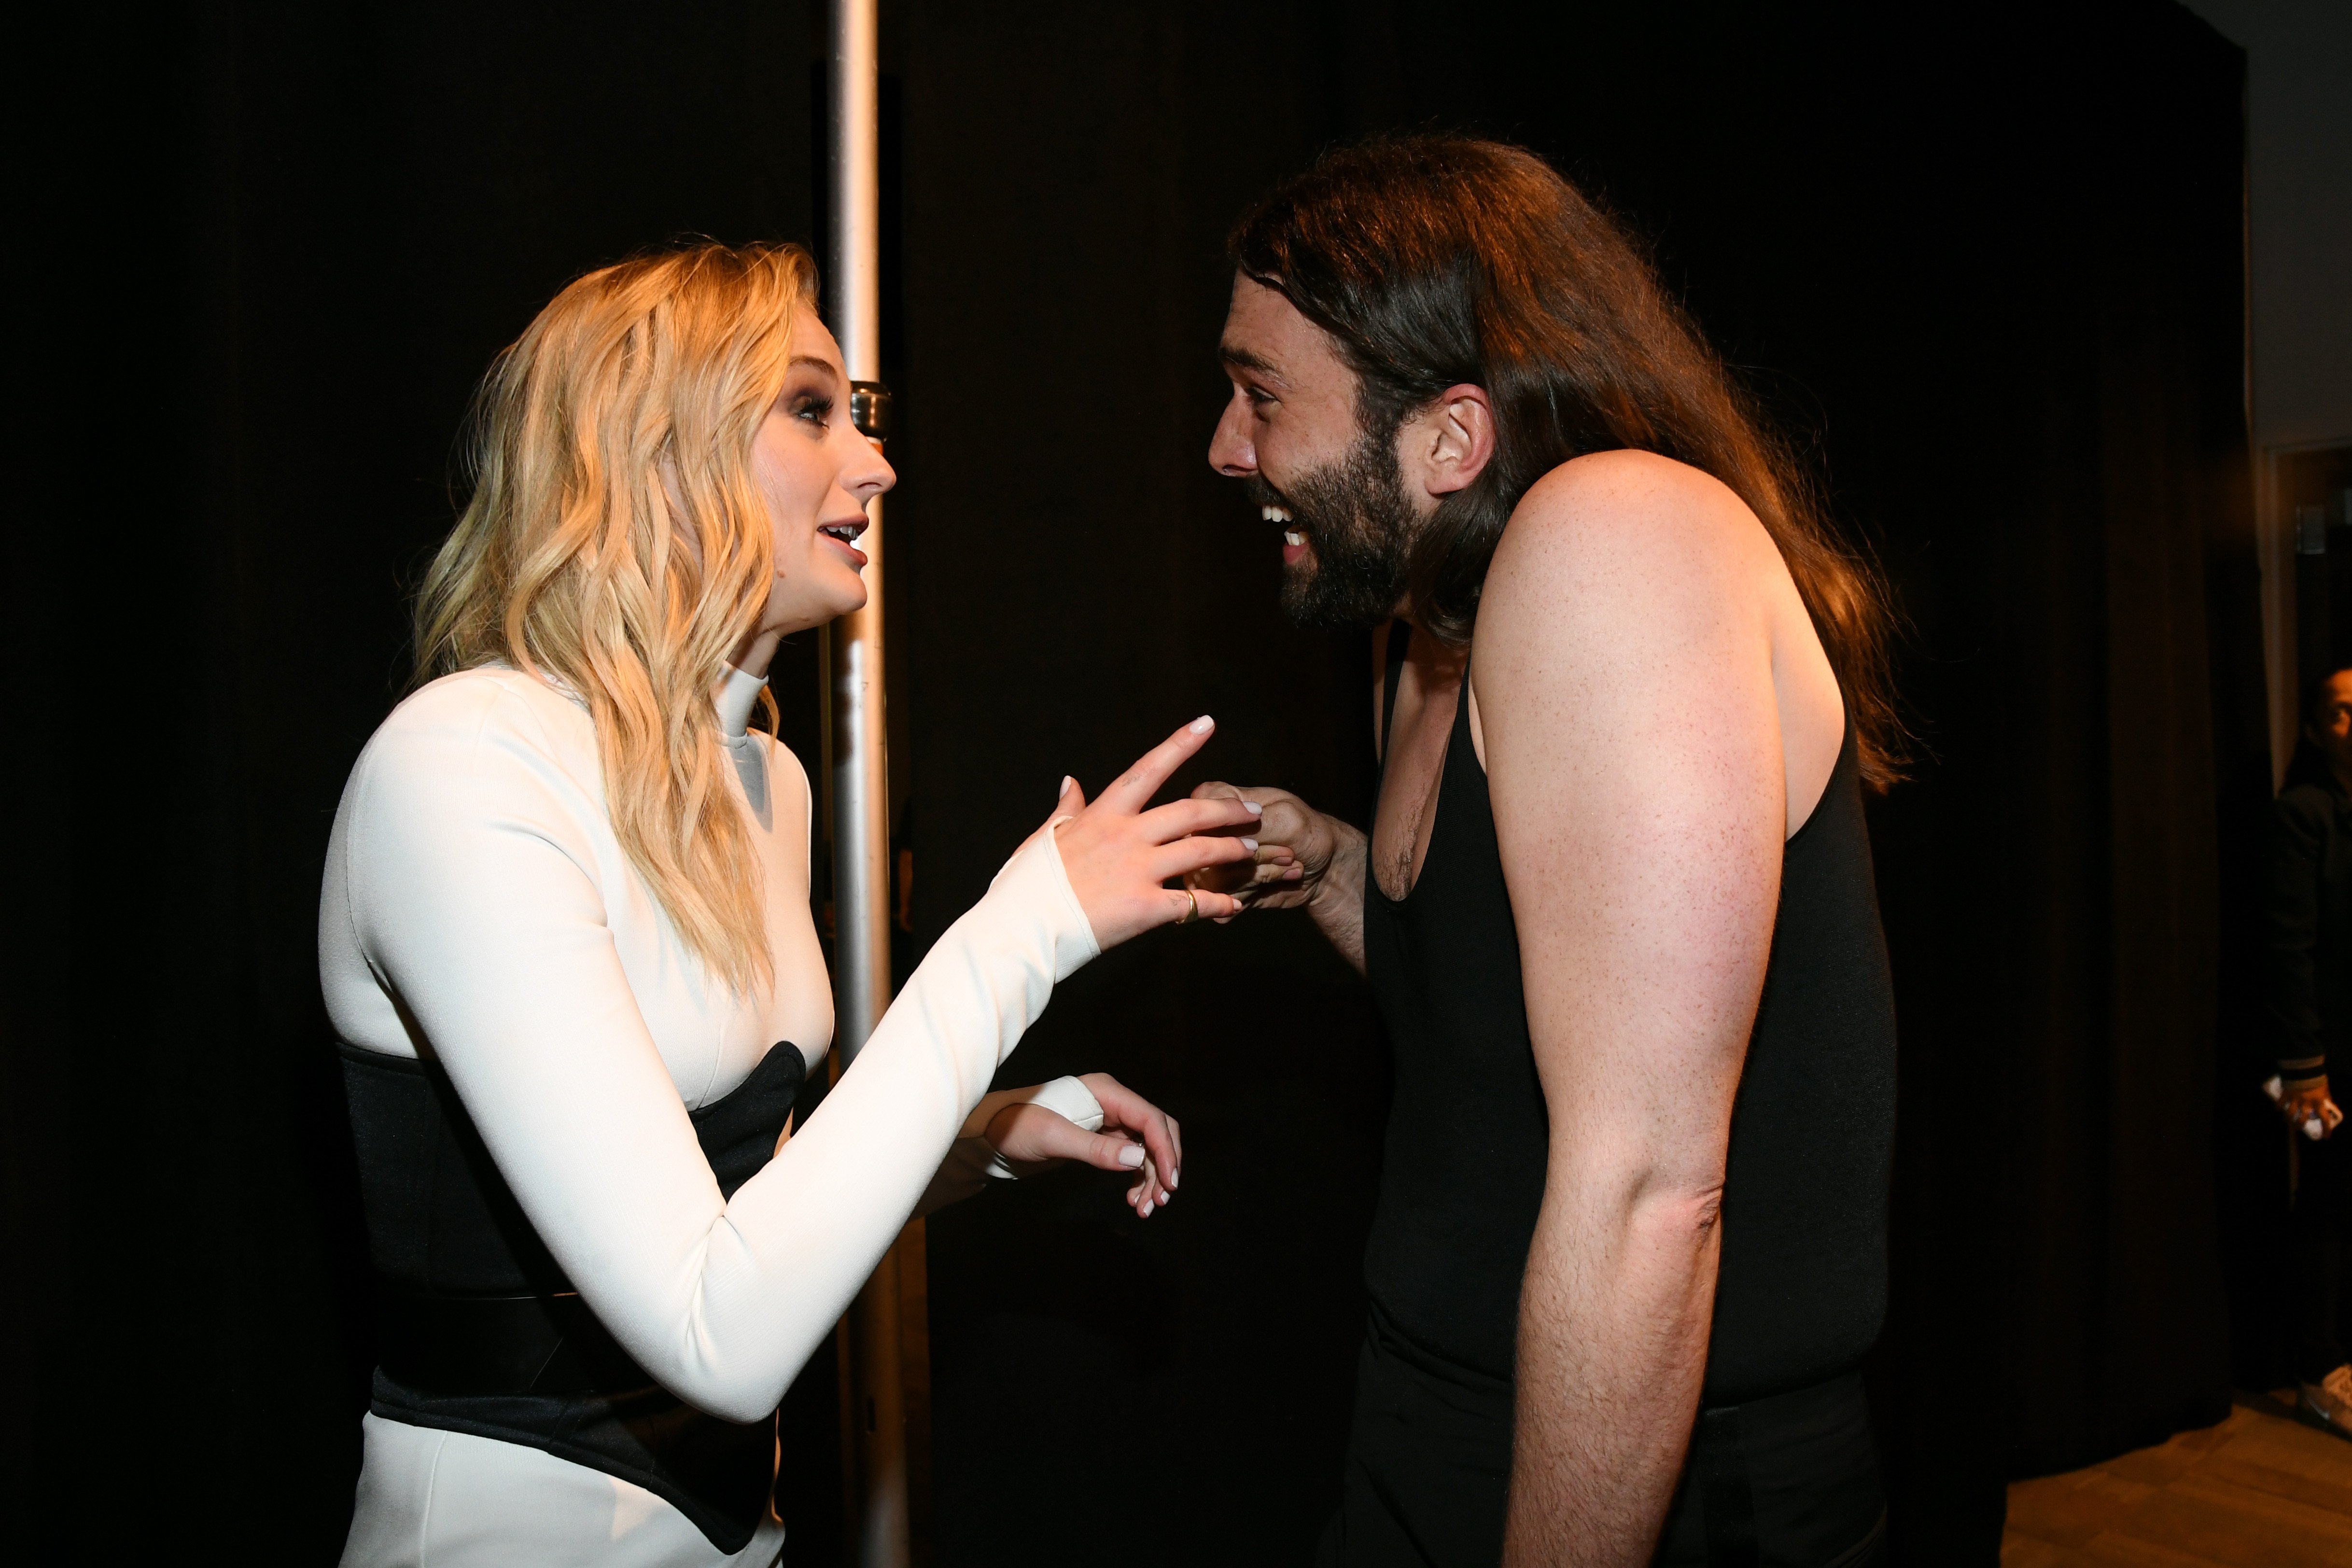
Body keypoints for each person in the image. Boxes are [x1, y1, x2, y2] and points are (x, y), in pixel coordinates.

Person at [323, 242, 1261, 1567]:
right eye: (810, 410)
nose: (875, 467)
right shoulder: (464, 769)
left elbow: (739, 1206)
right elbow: (723, 1333)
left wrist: (984, 1136)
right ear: (653, 451)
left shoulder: (764, 775)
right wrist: (1025, 927)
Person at [1189, 138, 1901, 1566]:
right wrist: (1336, 866)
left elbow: (1649, 1191)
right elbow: (1496, 1008)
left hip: (1666, 1476)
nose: (1225, 445)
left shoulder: (1616, 541)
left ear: (1454, 437)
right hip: (1440, 1425)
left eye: (1264, 395)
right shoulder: (1429, 627)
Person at [2262, 666, 2352, 1435]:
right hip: (2323, 1056)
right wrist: (2304, 1068)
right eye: (2342, 712)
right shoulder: (2302, 815)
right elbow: (2287, 949)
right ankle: (2318, 1374)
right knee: (2327, 1198)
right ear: (2320, 731)